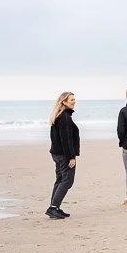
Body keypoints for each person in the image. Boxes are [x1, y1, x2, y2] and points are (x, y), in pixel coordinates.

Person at [47, 91, 80, 220]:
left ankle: (55, 207)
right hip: (63, 155)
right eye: (71, 100)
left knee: (60, 179)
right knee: (67, 180)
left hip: (57, 153)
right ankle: (53, 208)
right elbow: (66, 139)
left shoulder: (59, 115)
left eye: (74, 99)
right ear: (64, 102)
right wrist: (71, 157)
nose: (74, 101)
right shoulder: (64, 117)